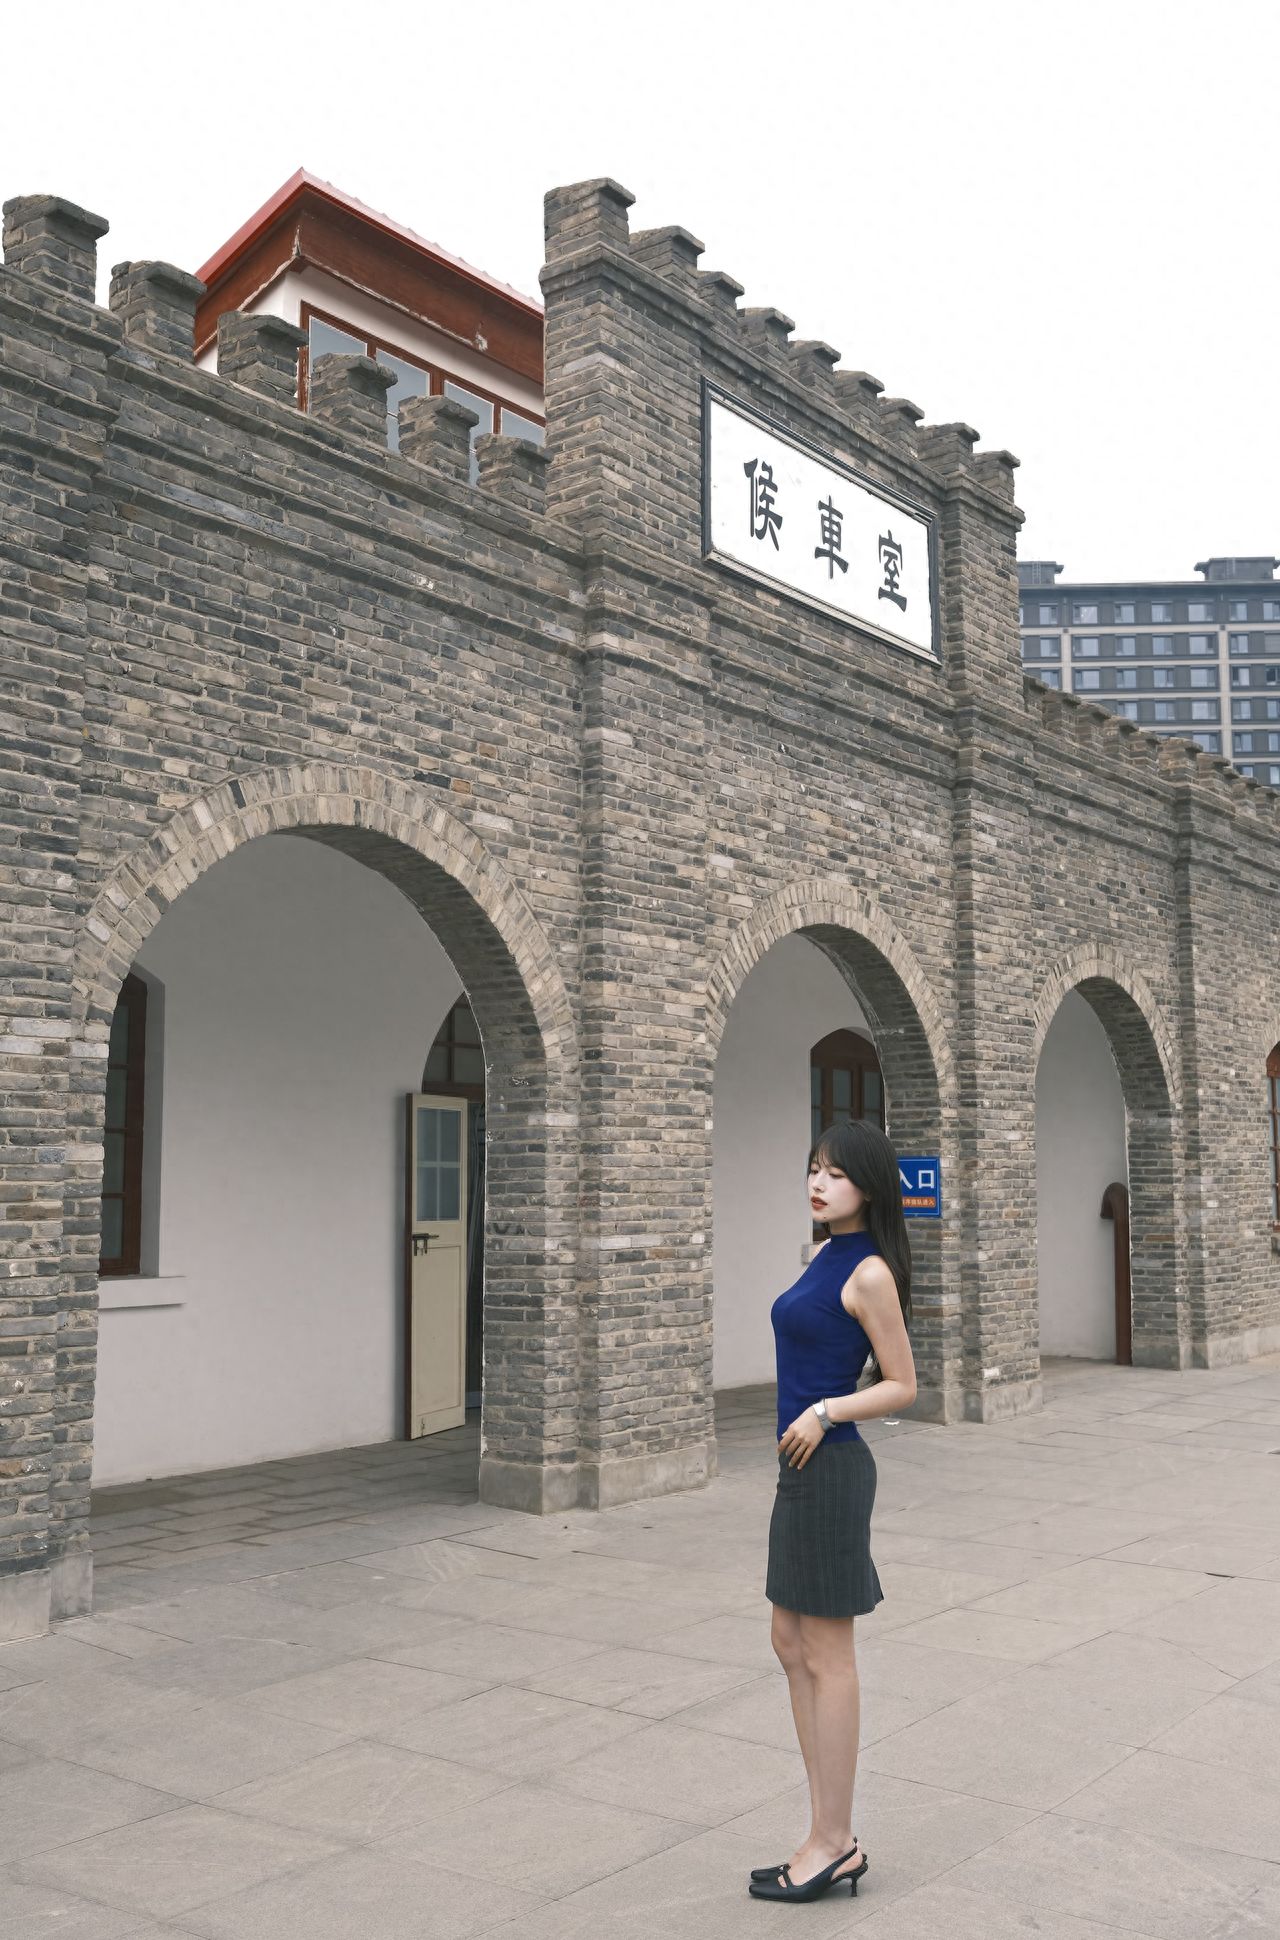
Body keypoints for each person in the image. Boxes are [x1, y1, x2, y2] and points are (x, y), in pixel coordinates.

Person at [748, 1119, 917, 1904]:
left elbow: (902, 1384)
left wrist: (826, 1411)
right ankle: (823, 1829)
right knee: (789, 1642)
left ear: (870, 1188)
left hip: (832, 1468)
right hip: (799, 1470)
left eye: (838, 1174)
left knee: (827, 1652)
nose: (819, 1183)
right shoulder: (823, 1254)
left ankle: (834, 1842)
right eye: (815, 1168)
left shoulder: (871, 1272)